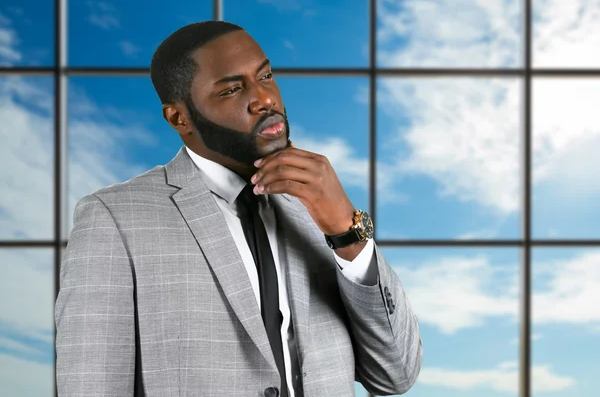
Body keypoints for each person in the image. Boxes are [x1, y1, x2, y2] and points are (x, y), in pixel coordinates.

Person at [54, 20, 422, 397]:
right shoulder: (114, 218)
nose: (264, 98)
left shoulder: (318, 206)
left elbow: (395, 375)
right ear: (179, 118)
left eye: (266, 75)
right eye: (232, 89)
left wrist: (347, 230)